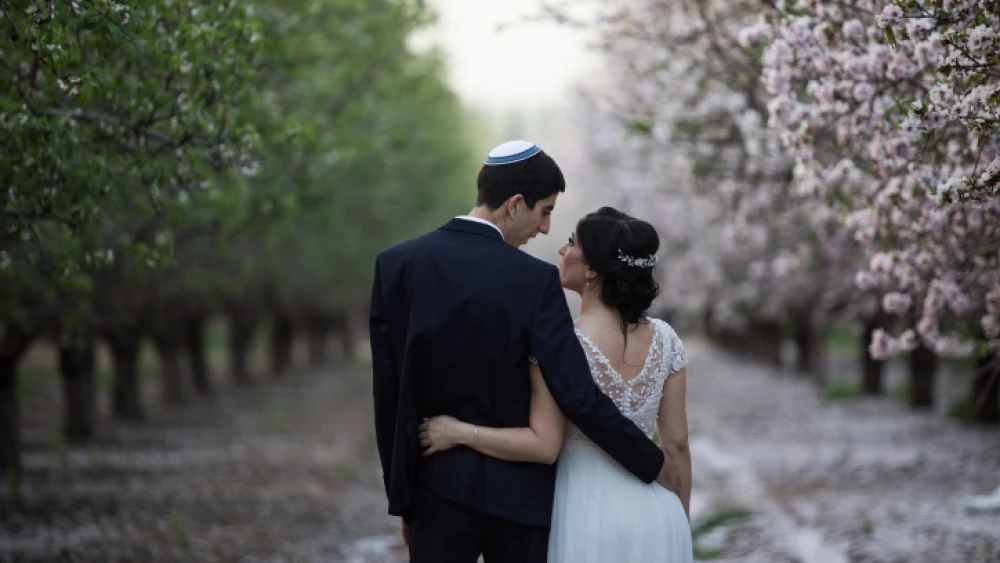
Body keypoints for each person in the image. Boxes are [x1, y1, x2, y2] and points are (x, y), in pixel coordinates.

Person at [369, 141, 680, 563]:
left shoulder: (396, 266)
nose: (547, 228)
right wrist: (649, 459)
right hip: (518, 502)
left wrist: (402, 498)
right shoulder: (534, 281)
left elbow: (390, 395)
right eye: (545, 210)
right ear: (516, 204)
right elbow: (576, 393)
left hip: (433, 491)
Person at [420, 206, 694, 562]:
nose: (562, 251)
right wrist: (679, 521)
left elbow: (542, 444)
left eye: (571, 242)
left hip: (581, 511)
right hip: (657, 515)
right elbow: (678, 445)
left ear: (593, 268)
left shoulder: (559, 341)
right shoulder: (667, 339)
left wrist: (457, 432)